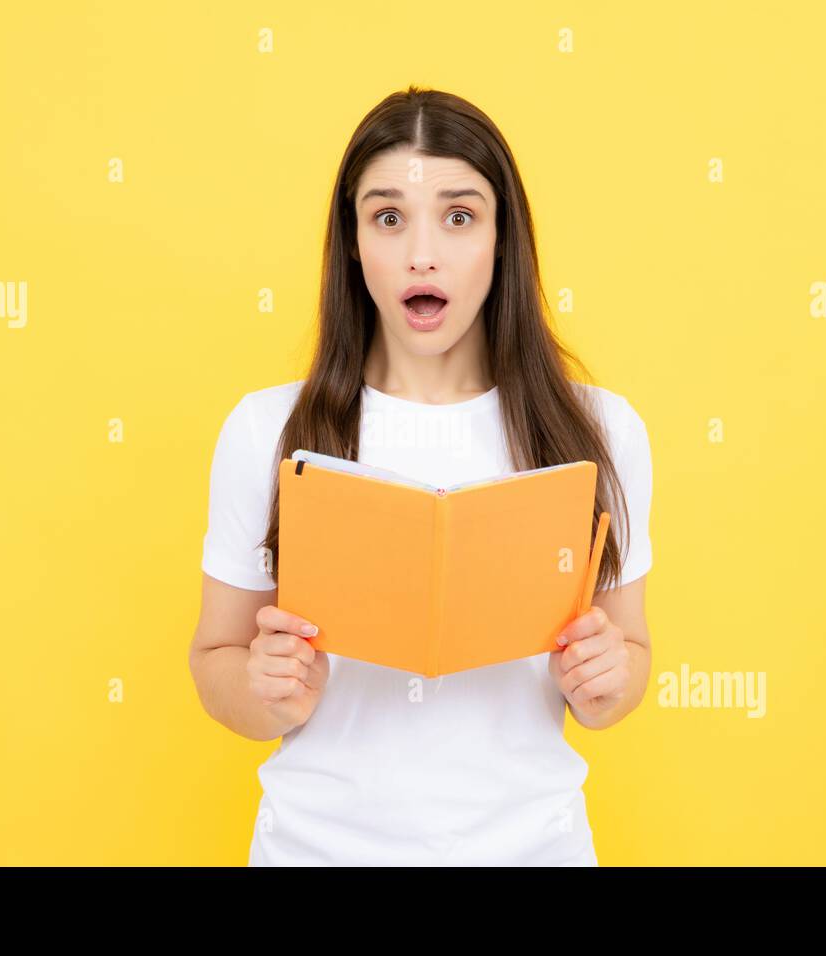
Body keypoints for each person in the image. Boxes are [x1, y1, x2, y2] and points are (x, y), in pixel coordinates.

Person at [189, 85, 654, 866]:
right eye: (389, 217)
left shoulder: (597, 430)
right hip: (315, 850)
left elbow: (629, 656)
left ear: (504, 240)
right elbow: (216, 663)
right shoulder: (266, 431)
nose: (422, 254)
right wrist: (264, 690)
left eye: (460, 215)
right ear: (353, 240)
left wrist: (608, 678)